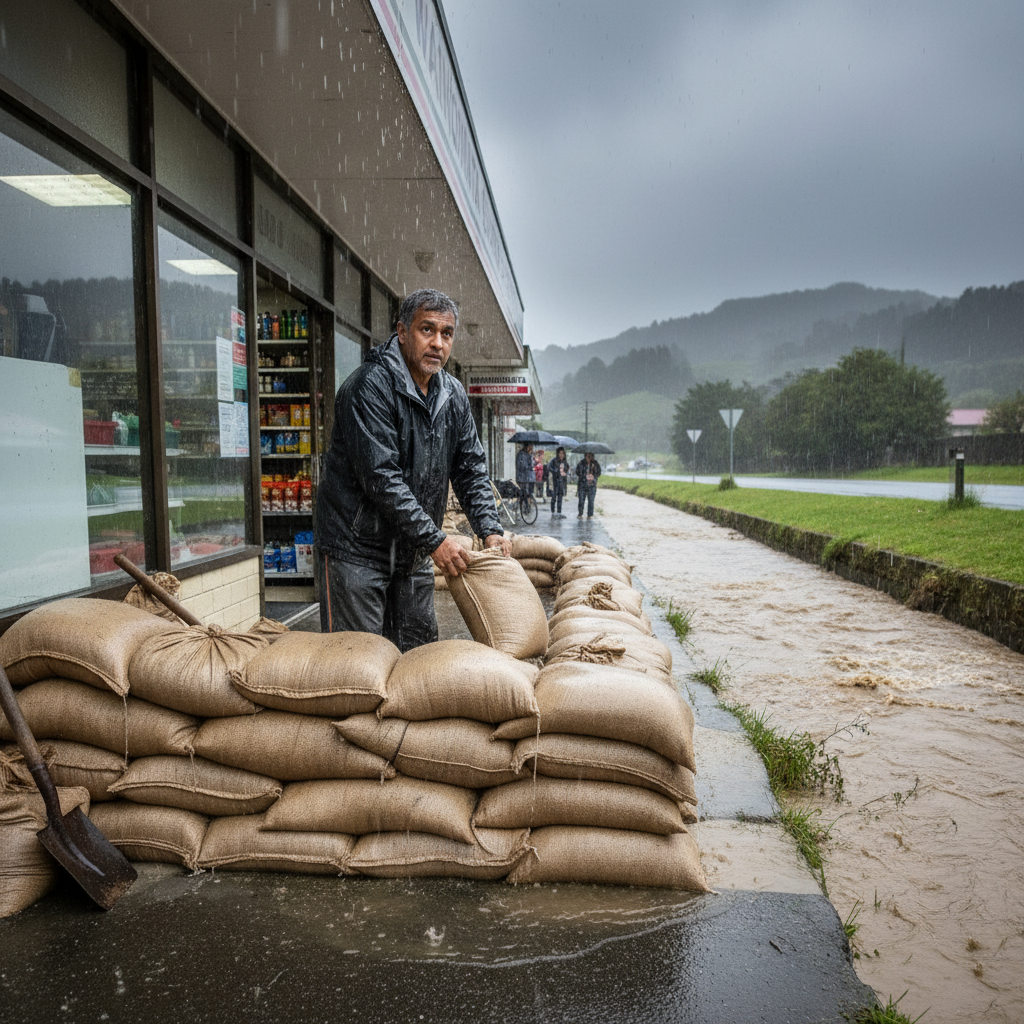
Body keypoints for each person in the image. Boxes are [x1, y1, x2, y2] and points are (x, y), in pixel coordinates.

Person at [314, 288, 511, 651]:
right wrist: (435, 540)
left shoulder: (452, 395)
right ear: (402, 332)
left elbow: (470, 467)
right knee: (357, 661)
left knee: (418, 655)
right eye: (427, 330)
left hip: (411, 552)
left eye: (446, 334)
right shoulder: (368, 388)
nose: (437, 343)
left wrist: (490, 529)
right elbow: (381, 479)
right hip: (355, 550)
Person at [575, 451, 601, 518]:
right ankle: (580, 514)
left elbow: (598, 473)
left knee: (591, 501)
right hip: (582, 485)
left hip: (592, 485)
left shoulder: (595, 464)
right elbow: (577, 472)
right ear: (585, 455)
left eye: (590, 454)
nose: (589, 456)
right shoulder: (581, 463)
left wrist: (593, 476)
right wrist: (584, 476)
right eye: (587, 454)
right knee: (581, 500)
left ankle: (590, 515)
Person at [548, 446, 569, 517]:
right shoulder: (554, 461)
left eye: (563, 453)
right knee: (554, 497)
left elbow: (567, 469)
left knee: (560, 497)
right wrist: (555, 471)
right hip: (555, 481)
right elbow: (549, 467)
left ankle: (559, 512)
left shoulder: (565, 462)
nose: (561, 455)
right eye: (560, 453)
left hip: (562, 482)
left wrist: (566, 472)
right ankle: (553, 511)